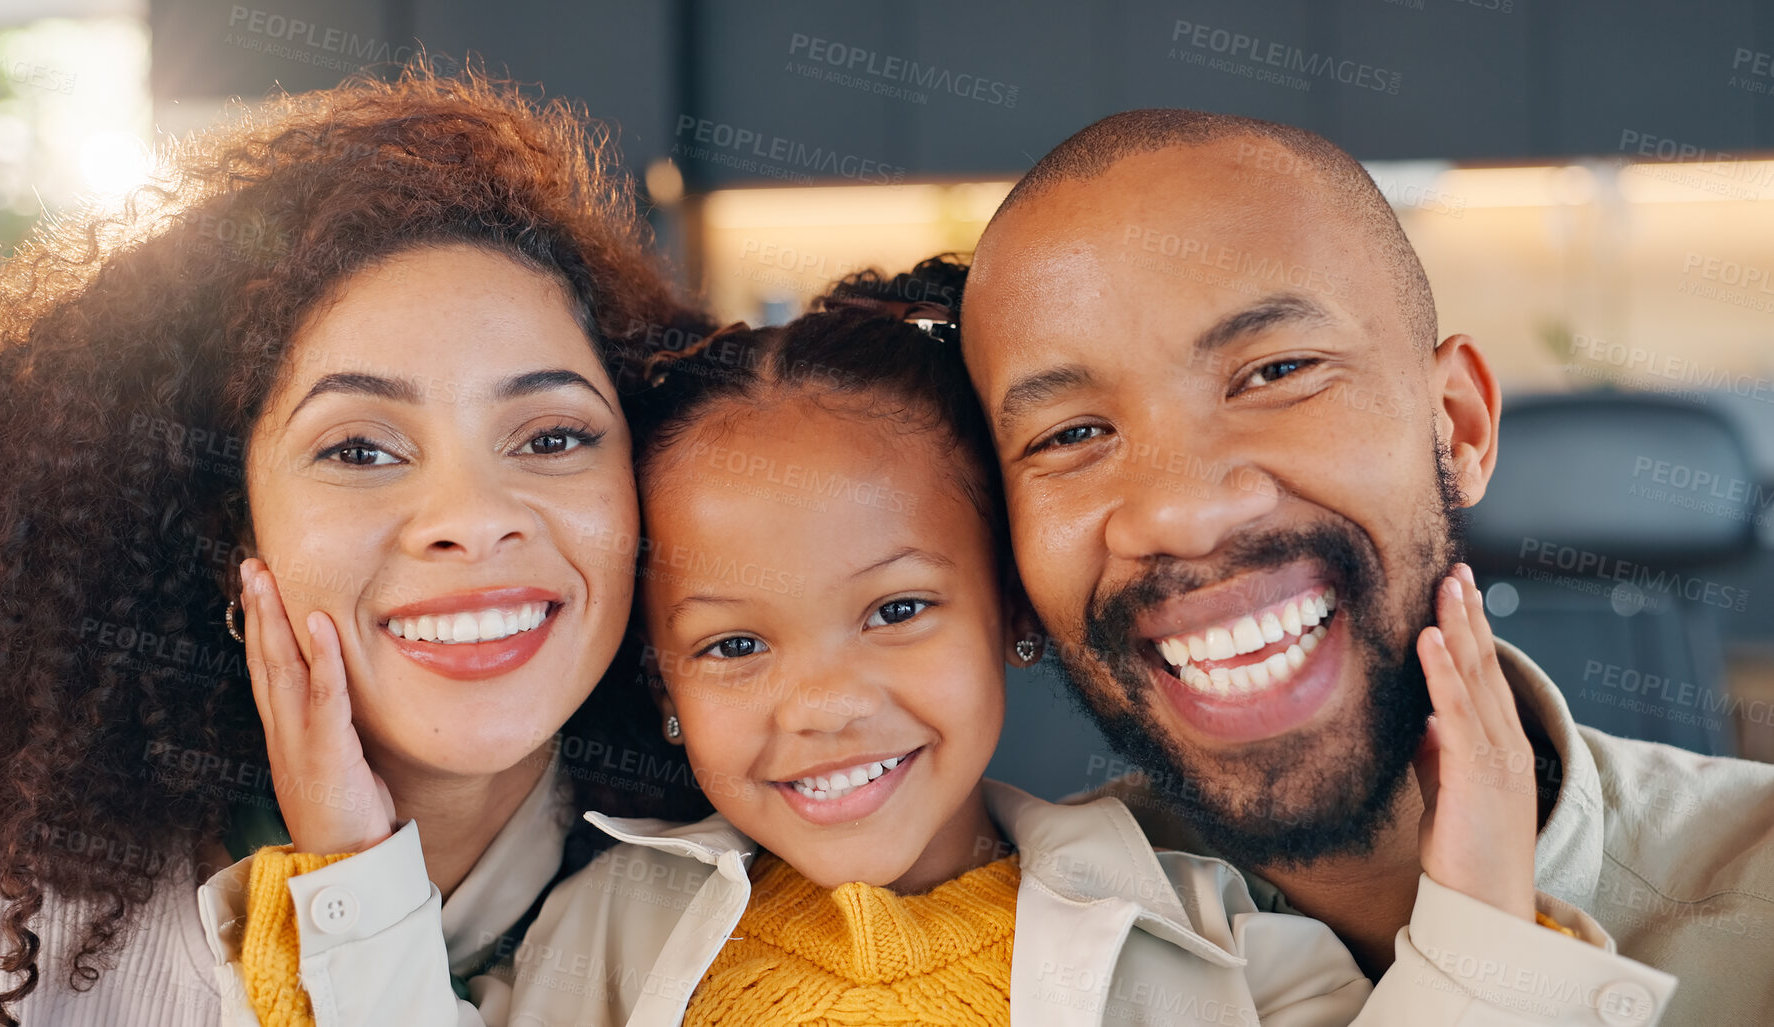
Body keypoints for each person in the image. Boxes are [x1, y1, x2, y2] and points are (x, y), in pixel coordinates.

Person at [234, 262, 1675, 1027]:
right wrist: (355, 864)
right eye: (731, 647)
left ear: (1018, 618)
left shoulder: (1208, 940)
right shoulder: (610, 935)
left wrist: (1479, 911)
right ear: (661, 687)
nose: (824, 702)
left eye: (898, 607)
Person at [0, 67, 701, 1027]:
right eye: (358, 448)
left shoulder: (770, 932)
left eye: (550, 437)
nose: (473, 515)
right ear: (225, 530)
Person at [960, 109, 1774, 1027]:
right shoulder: (956, 966)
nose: (1181, 516)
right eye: (1071, 435)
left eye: (1275, 372)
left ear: (1457, 427)